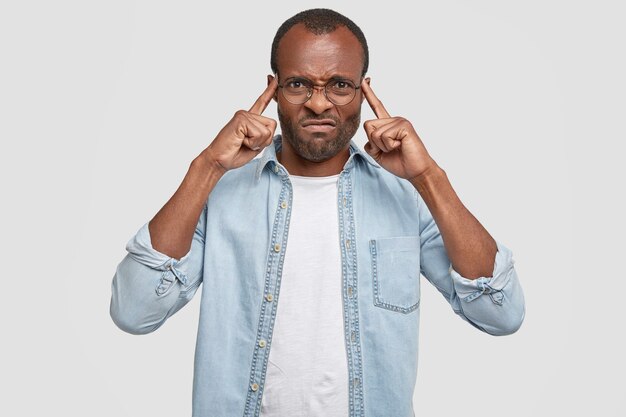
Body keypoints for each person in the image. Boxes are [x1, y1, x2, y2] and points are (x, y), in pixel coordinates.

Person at [110, 8, 525, 417]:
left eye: (340, 85)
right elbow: (134, 311)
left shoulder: (408, 197)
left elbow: (500, 314)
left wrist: (429, 176)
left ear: (364, 90)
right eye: (298, 85)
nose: (319, 104)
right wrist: (207, 167)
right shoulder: (219, 194)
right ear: (272, 89)